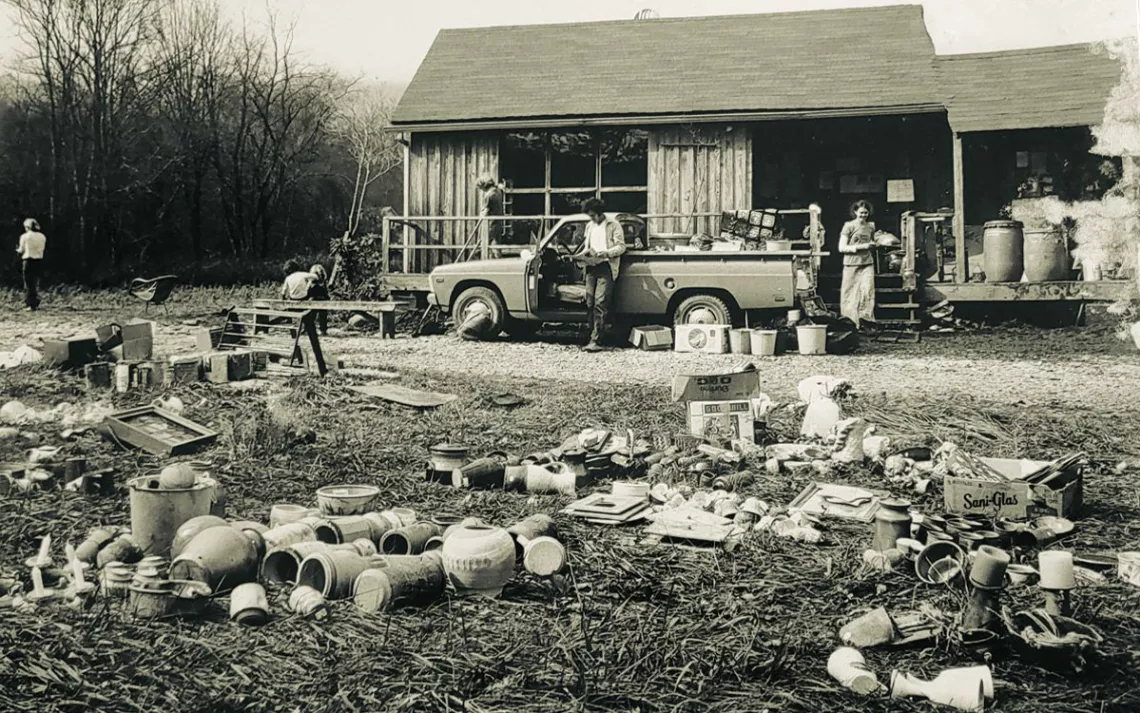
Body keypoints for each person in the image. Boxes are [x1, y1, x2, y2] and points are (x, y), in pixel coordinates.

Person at [575, 198, 627, 352]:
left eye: (593, 215)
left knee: (600, 302)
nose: (592, 219)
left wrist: (607, 253)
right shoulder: (590, 226)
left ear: (600, 213)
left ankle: (596, 339)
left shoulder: (614, 225)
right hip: (591, 266)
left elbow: (621, 246)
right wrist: (581, 256)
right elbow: (587, 246)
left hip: (606, 266)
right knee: (590, 302)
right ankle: (593, 335)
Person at [838, 200, 878, 329]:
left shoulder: (871, 226)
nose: (863, 215)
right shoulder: (849, 226)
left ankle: (866, 320)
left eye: (866, 213)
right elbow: (842, 247)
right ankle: (849, 322)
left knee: (867, 291)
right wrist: (862, 246)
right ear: (855, 212)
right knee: (849, 293)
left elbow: (872, 240)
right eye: (861, 213)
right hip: (851, 263)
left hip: (867, 262)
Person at [16, 218, 46, 311]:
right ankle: (36, 302)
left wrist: (17, 250)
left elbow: (21, 250)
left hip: (28, 260)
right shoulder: (42, 236)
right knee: (36, 282)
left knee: (29, 283)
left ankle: (31, 304)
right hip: (39, 261)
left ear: (27, 227)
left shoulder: (25, 236)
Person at [476, 173, 505, 256]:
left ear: (484, 185)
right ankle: (498, 262)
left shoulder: (489, 195)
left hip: (490, 224)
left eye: (480, 187)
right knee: (496, 245)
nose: (481, 189)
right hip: (498, 222)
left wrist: (479, 225)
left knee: (484, 244)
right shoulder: (498, 191)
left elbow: (485, 211)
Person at [308, 264, 330, 335]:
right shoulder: (323, 282)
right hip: (322, 299)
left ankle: (309, 328)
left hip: (315, 299)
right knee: (322, 315)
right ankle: (323, 329)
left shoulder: (312, 282)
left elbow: (308, 291)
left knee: (313, 314)